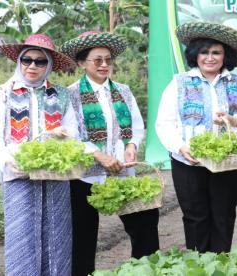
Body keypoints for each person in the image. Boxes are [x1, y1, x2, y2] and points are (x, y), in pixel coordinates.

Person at [60, 31, 159, 275]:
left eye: (108, 60)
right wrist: (98, 155)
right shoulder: (70, 94)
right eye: (97, 60)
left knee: (144, 223)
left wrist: (131, 146)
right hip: (85, 175)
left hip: (122, 172)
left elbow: (136, 125)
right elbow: (70, 135)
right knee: (82, 237)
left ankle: (143, 270)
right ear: (82, 63)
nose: (104, 65)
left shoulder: (123, 90)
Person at [155, 22, 237, 253]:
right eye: (204, 52)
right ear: (195, 55)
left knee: (223, 216)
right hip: (188, 162)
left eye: (216, 52)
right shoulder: (179, 83)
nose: (210, 58)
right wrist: (180, 147)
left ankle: (220, 264)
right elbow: (165, 122)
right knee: (195, 217)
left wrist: (234, 121)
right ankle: (197, 265)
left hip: (229, 163)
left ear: (225, 56)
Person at [0, 34, 77, 275]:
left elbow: (73, 132)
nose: (32, 66)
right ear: (19, 61)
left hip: (55, 174)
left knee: (57, 235)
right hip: (17, 174)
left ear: (49, 65)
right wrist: (7, 160)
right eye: (27, 60)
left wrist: (62, 136)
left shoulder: (62, 94)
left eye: (40, 61)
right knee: (21, 235)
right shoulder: (4, 92)